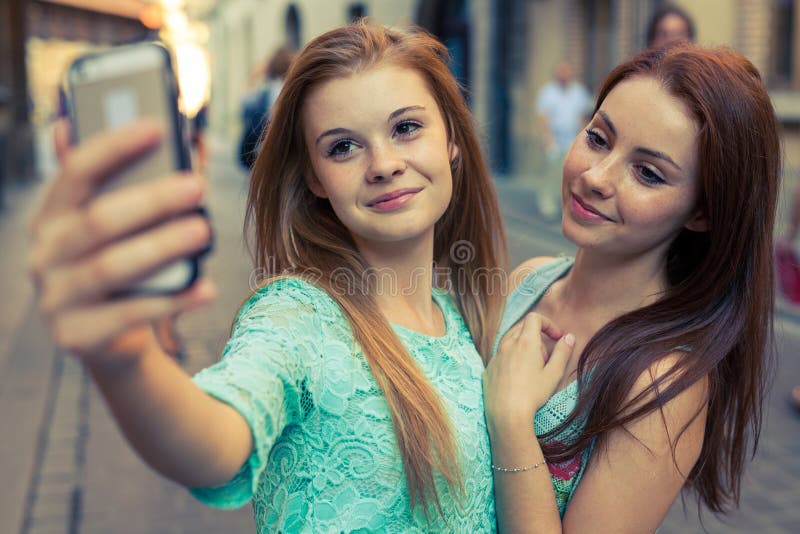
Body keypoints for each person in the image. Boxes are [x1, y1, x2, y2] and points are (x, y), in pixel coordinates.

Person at [28, 21, 507, 532]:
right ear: (313, 178)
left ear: (452, 139)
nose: (384, 164)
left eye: (406, 128)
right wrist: (125, 357)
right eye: (342, 147)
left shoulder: (471, 323)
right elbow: (213, 442)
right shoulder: (298, 316)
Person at [484, 43, 779, 531]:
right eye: (598, 139)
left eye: (648, 173)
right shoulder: (527, 281)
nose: (596, 177)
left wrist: (513, 423)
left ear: (701, 212)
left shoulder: (665, 382)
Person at [535, 60, 591, 220]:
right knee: (552, 173)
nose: (564, 74)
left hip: (571, 138)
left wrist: (582, 140)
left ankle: (566, 205)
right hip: (554, 139)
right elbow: (543, 119)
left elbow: (583, 117)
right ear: (556, 73)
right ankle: (547, 205)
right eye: (561, 71)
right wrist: (548, 142)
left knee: (571, 173)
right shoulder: (548, 92)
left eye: (567, 71)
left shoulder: (578, 92)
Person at [238, 46, 296, 169]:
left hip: (264, 150)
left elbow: (244, 102)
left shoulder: (265, 90)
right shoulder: (293, 89)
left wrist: (255, 76)